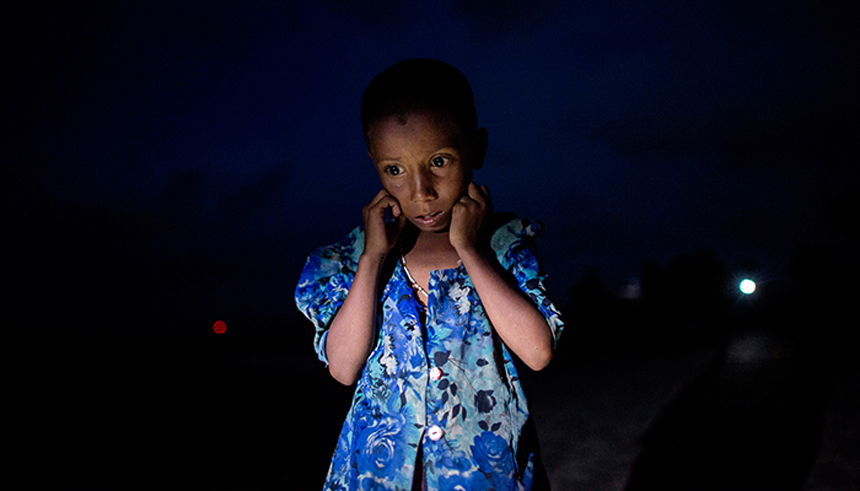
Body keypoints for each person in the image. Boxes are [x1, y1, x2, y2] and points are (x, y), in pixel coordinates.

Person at [295, 59, 564, 490]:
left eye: (439, 161)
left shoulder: (502, 245)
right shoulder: (349, 259)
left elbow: (538, 351)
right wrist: (371, 261)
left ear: (477, 148)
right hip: (377, 476)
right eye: (395, 170)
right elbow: (343, 367)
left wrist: (470, 249)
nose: (421, 191)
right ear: (373, 161)